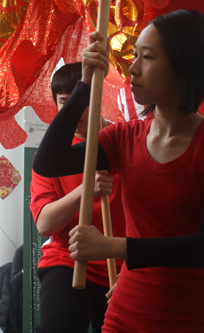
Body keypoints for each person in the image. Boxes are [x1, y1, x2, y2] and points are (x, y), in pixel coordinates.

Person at [33, 9, 204, 332]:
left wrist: (110, 247)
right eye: (135, 55)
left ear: (184, 67)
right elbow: (48, 161)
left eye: (147, 57)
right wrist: (84, 83)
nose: (132, 69)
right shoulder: (124, 138)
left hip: (199, 317)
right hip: (127, 315)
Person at [30, 63, 125, 333]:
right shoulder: (49, 158)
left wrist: (131, 269)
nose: (76, 112)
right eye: (65, 102)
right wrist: (85, 189)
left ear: (98, 97)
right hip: (69, 260)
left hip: (120, 263)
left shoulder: (124, 141)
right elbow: (45, 224)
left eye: (83, 101)